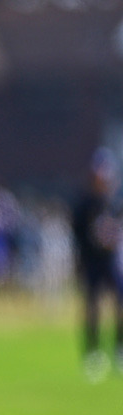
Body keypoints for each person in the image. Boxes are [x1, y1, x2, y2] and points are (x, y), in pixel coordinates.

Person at [71, 148, 122, 381]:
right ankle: (93, 352)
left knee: (119, 305)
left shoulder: (114, 202)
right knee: (93, 308)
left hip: (111, 261)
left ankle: (119, 349)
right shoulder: (85, 205)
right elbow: (78, 236)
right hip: (92, 262)